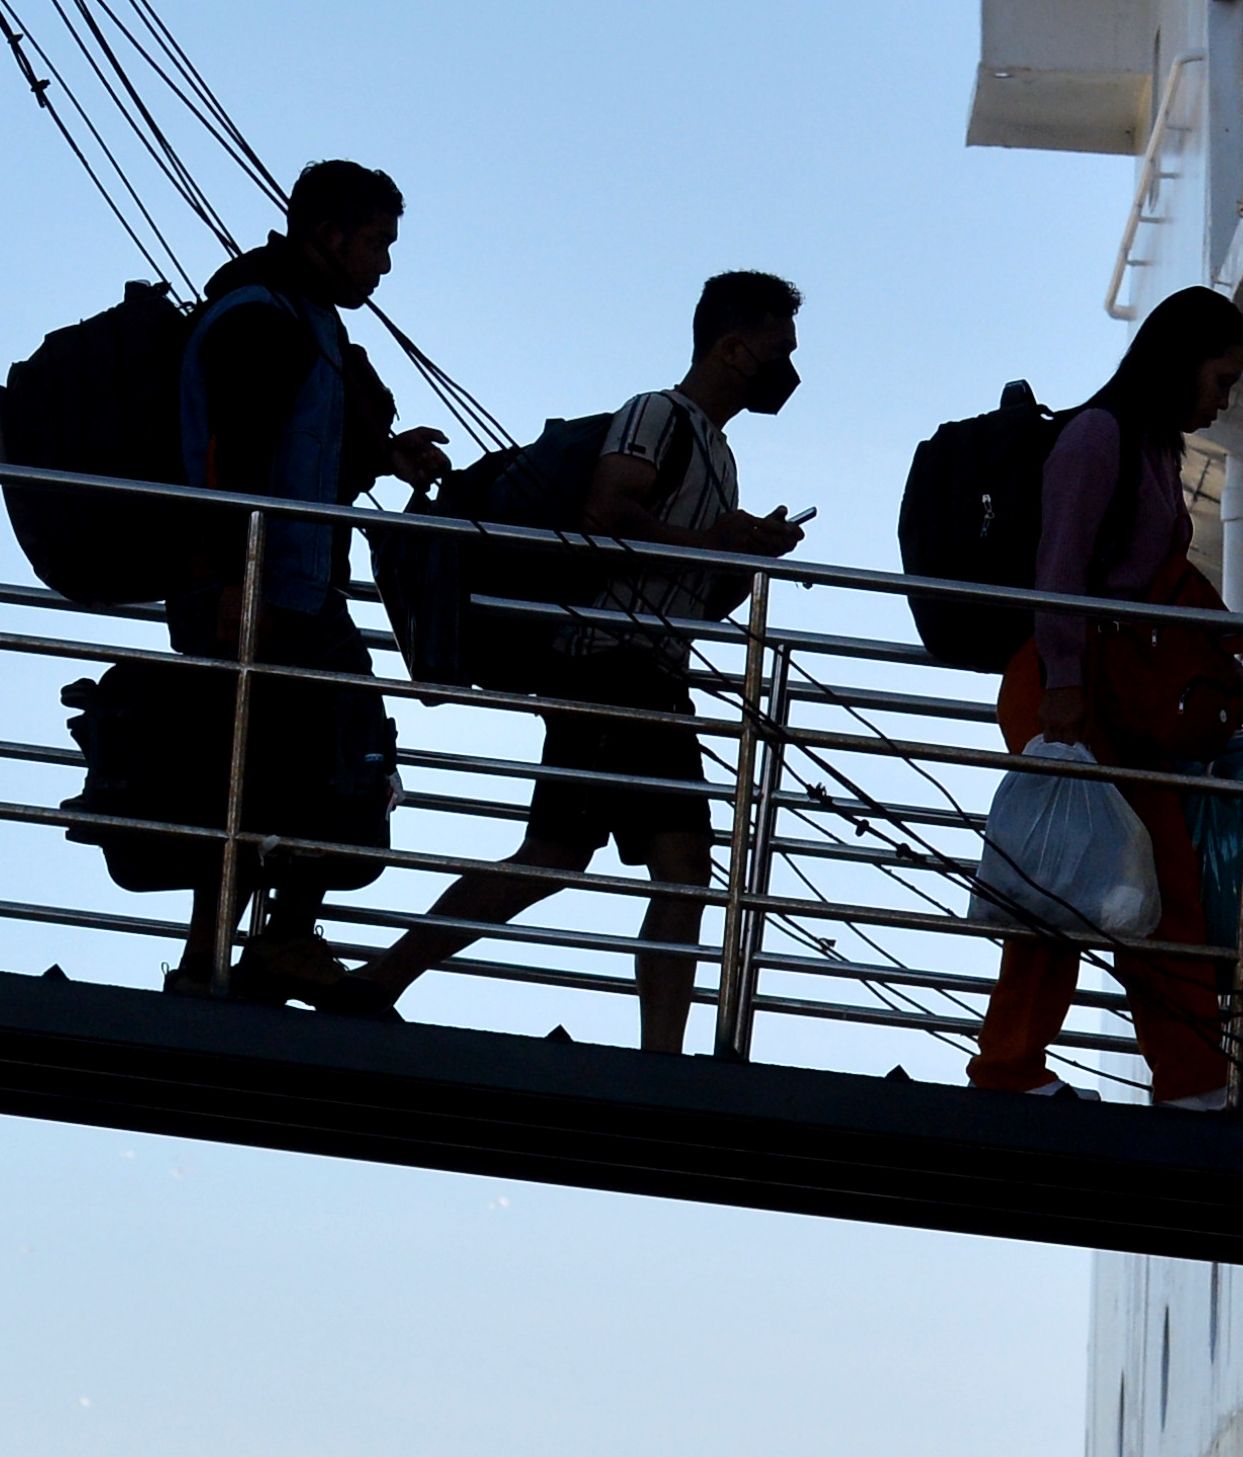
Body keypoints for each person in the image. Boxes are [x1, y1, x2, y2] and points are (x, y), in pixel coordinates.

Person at [333, 272, 808, 1049]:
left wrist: (744, 547)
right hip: (605, 667)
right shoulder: (657, 416)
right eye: (776, 348)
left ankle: (659, 1056)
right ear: (731, 346)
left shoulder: (719, 454)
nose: (787, 366)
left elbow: (680, 570)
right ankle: (385, 977)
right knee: (561, 855)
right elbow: (605, 511)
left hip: (655, 676)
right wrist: (714, 541)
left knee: (677, 867)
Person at [968, 285, 1243, 1115]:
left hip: (1127, 696)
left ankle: (1192, 1078)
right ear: (1180, 362)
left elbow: (1163, 584)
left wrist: (1229, 650)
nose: (1223, 398)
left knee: (1166, 881)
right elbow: (1060, 564)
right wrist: (1066, 687)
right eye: (1221, 378)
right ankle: (1008, 1065)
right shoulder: (1098, 436)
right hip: (1068, 687)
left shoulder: (1151, 449)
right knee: (1067, 877)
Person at [170, 158, 451, 1000]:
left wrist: (384, 454)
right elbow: (234, 458)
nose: (384, 264)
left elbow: (304, 452)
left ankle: (234, 951)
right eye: (375, 243)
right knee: (320, 762)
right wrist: (227, 583)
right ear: (327, 235)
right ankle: (261, 944)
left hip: (294, 589)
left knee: (279, 771)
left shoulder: (306, 318)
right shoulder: (261, 318)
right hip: (258, 593)